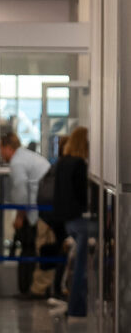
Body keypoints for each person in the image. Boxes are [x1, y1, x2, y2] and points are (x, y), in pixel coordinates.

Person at [0, 131, 53, 298]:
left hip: (35, 212)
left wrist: (19, 216)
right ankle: (38, 288)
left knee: (29, 249)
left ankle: (30, 289)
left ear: (8, 148)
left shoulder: (17, 162)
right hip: (43, 208)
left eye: (1, 149)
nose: (0, 154)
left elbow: (22, 192)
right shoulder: (28, 156)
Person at [53, 126, 91, 317]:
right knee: (81, 267)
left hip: (66, 221)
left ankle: (75, 306)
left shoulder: (62, 162)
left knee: (78, 265)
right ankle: (78, 308)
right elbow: (82, 196)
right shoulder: (80, 165)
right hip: (78, 220)